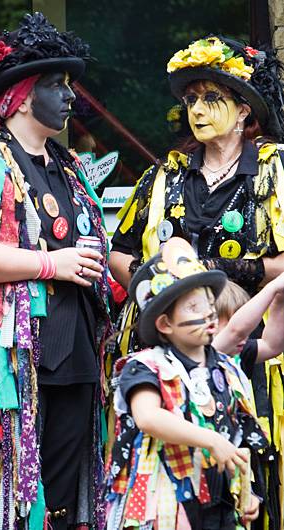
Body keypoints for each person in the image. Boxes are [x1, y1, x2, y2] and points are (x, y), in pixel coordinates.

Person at [0, 12, 111, 530]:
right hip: (10, 361)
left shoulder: (68, 166)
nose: (71, 97)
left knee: (58, 496)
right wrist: (50, 263)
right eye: (58, 85)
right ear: (24, 95)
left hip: (74, 353)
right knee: (7, 494)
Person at [108, 35, 284, 529]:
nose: (198, 110)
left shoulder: (275, 168)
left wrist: (216, 276)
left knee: (258, 472)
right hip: (176, 351)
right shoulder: (167, 174)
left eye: (212, 99)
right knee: (181, 483)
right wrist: (158, 287)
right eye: (190, 101)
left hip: (253, 346)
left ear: (245, 108)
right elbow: (120, 252)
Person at [105, 237, 267, 530]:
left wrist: (246, 489)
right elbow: (148, 417)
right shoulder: (144, 367)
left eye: (209, 303)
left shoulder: (225, 367)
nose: (207, 313)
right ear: (165, 324)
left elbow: (234, 431)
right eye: (194, 307)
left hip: (220, 503)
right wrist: (211, 441)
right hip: (168, 503)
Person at [212, 276, 284, 378]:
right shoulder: (202, 356)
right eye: (232, 323)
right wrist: (272, 287)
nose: (244, 337)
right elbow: (235, 332)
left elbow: (272, 346)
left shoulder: (236, 352)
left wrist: (280, 297)